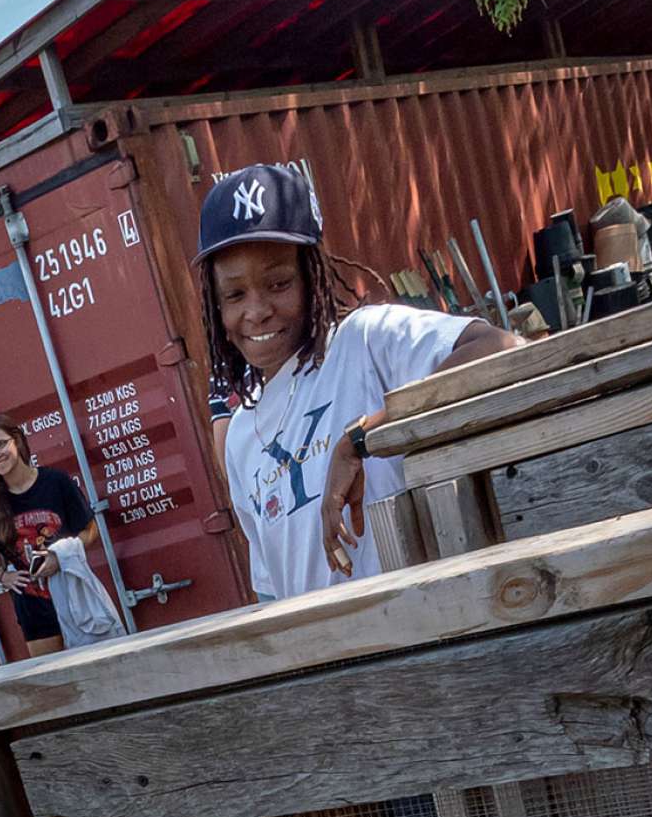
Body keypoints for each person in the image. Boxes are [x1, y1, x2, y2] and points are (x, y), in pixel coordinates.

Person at [196, 161, 517, 602]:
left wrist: (364, 437)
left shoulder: (364, 342)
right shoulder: (239, 437)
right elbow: (272, 590)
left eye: (278, 283)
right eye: (234, 295)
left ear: (313, 276)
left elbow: (499, 346)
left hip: (429, 636)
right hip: (336, 659)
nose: (256, 311)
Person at [0, 418, 98, 659]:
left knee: (97, 670)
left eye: (1, 445)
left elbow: (90, 531)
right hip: (34, 608)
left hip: (75, 593)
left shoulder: (56, 482)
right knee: (53, 683)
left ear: (18, 441)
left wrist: (60, 555)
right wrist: (3, 576)